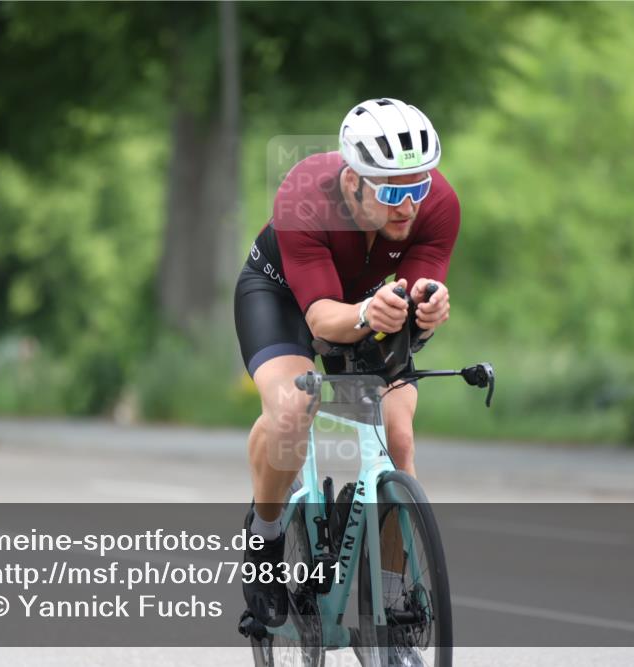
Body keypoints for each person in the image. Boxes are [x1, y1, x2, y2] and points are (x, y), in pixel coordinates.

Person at [233, 98, 460, 627]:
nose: (408, 206)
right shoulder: (304, 194)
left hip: (368, 306)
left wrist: (428, 307)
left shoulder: (438, 202)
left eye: (418, 187)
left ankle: (393, 602)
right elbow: (321, 322)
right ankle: (265, 542)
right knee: (293, 410)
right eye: (391, 191)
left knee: (398, 439)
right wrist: (365, 312)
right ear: (353, 182)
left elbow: (415, 293)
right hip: (285, 298)